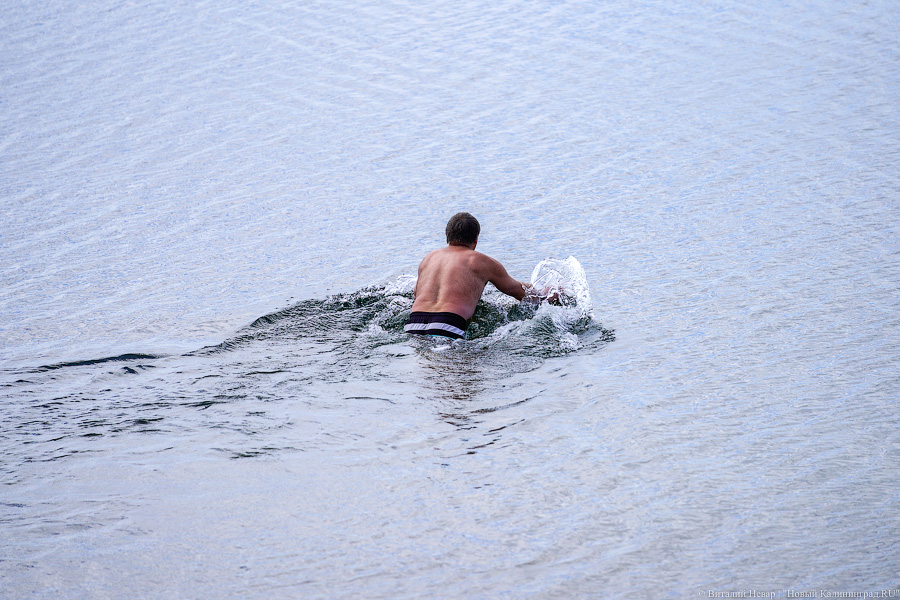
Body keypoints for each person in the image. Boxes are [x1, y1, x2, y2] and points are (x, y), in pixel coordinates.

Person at [405, 212, 549, 340]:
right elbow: (519, 292)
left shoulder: (429, 258)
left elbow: (416, 294)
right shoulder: (479, 261)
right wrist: (549, 294)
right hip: (448, 325)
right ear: (475, 241)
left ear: (447, 236)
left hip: (413, 324)